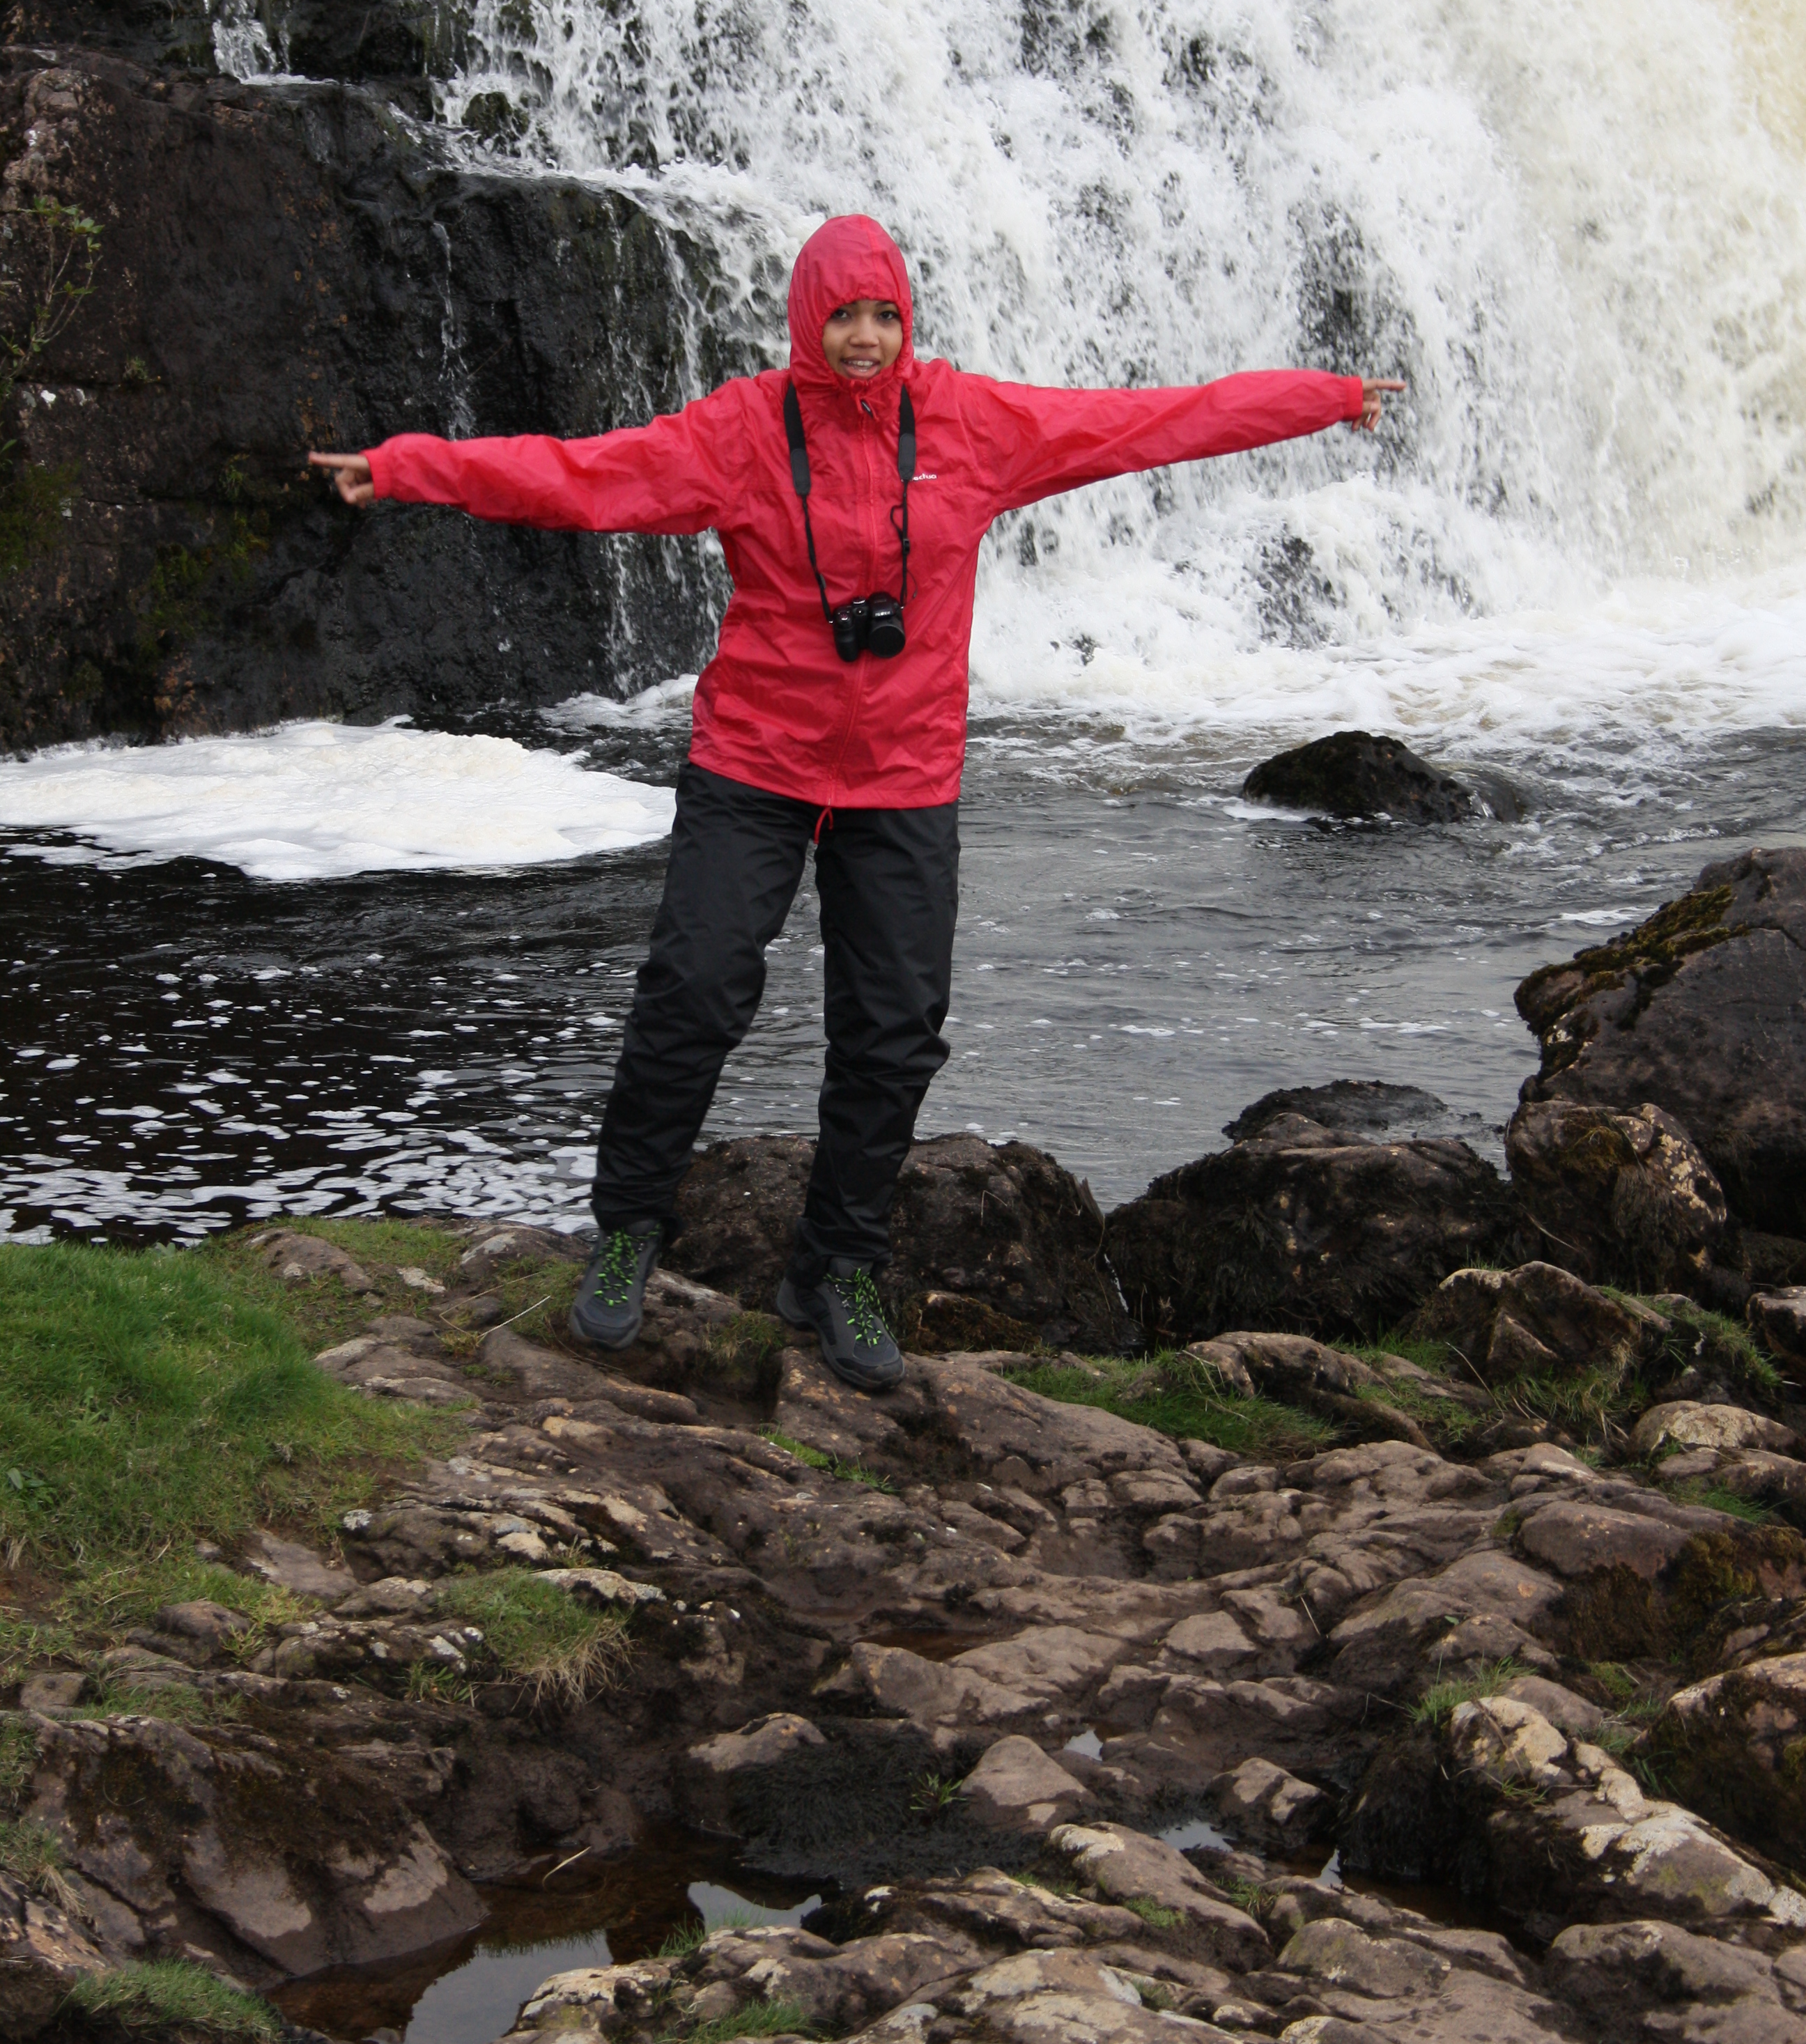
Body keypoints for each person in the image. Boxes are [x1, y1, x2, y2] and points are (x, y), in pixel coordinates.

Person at [311, 214, 1401, 1394]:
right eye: (844, 316)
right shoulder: (741, 431)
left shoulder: (974, 425)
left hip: (903, 772)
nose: (868, 337)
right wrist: (411, 467)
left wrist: (1327, 399)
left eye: (886, 314)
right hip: (755, 761)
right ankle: (629, 1227)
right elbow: (581, 478)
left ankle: (838, 1266)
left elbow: (1157, 421)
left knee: (893, 1031)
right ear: (806, 322)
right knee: (694, 991)